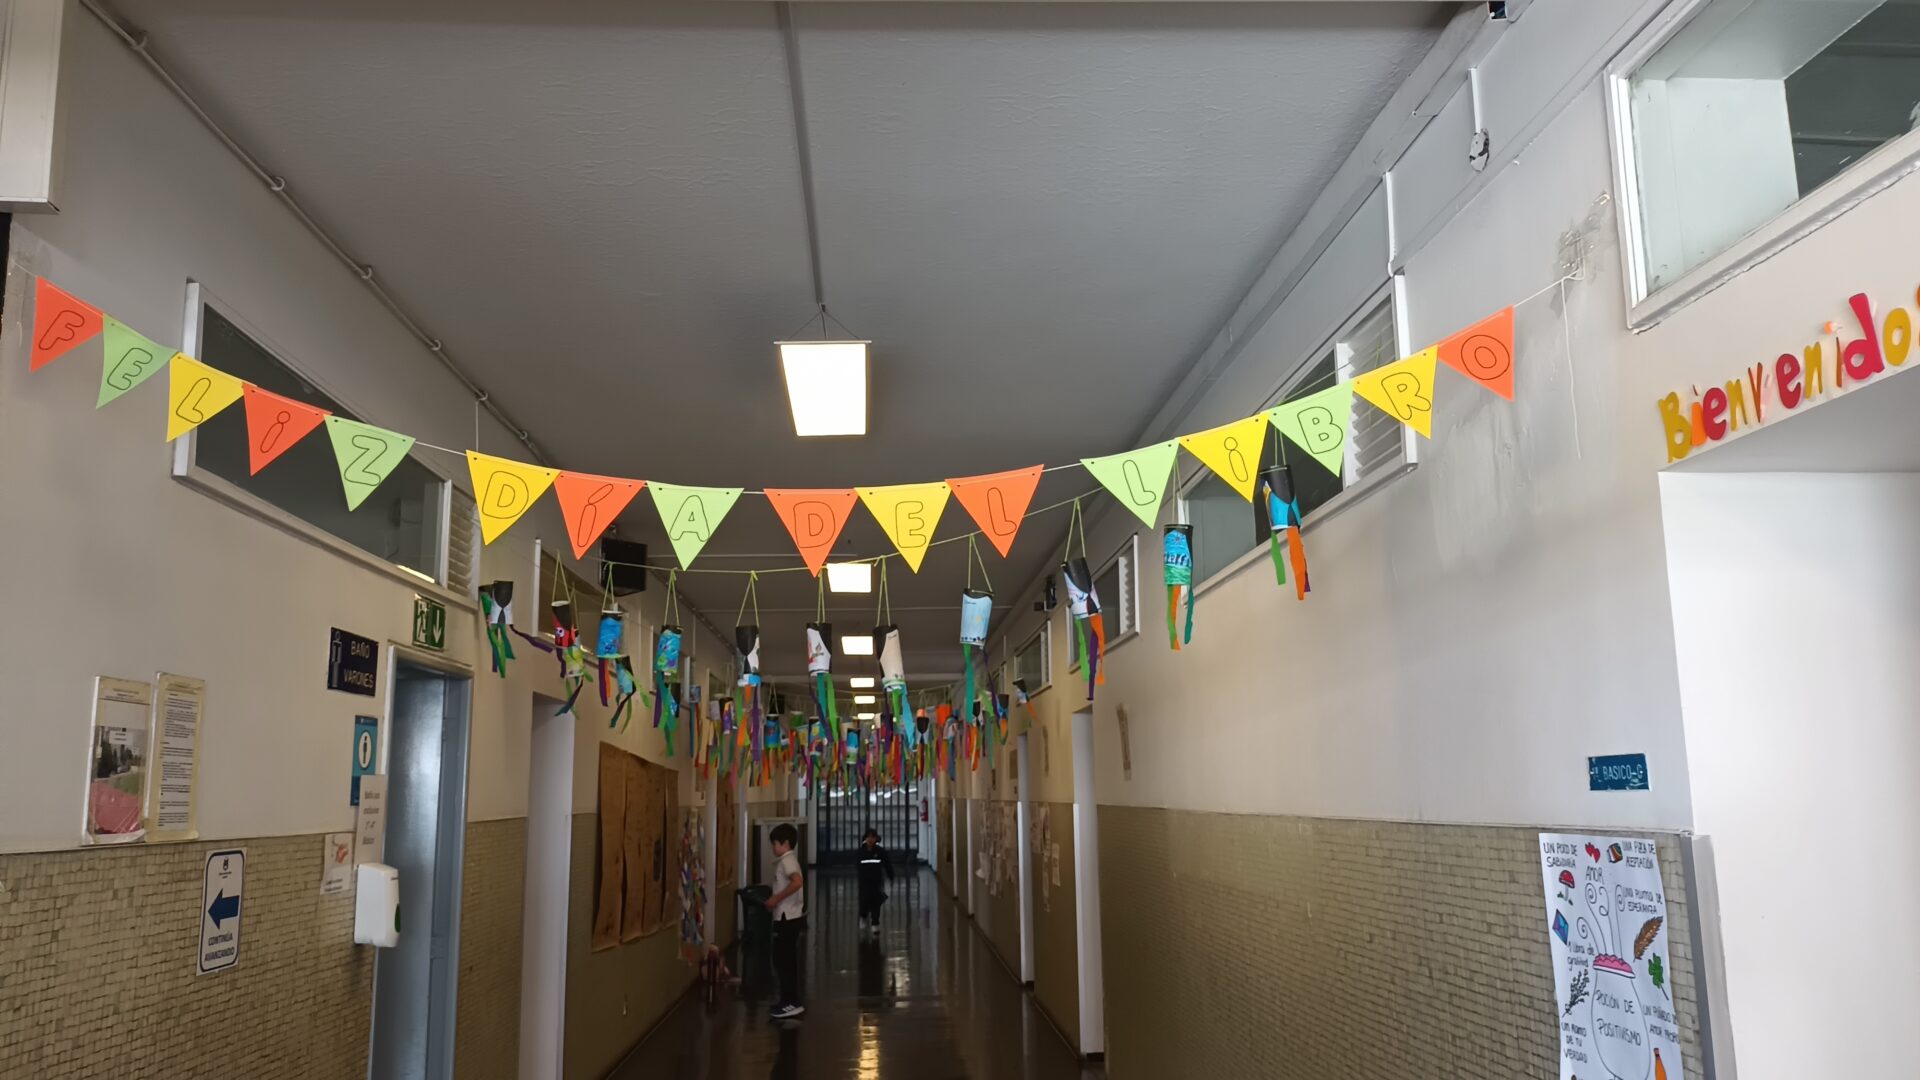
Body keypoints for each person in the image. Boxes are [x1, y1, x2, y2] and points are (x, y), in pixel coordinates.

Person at [764, 823, 806, 1020]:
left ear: (785, 843)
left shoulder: (787, 861)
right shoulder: (788, 860)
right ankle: (788, 1000)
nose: (773, 847)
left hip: (787, 918)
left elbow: (797, 882)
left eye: (775, 843)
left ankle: (791, 1002)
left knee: (784, 961)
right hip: (790, 916)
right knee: (784, 960)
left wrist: (776, 898)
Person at [856, 827, 895, 934]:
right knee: (864, 902)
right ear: (865, 838)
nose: (870, 839)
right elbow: (857, 865)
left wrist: (891, 877)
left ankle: (875, 923)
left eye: (873, 837)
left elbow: (887, 865)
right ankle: (863, 916)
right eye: (869, 837)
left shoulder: (880, 851)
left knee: (876, 903)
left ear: (876, 838)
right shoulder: (861, 852)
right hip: (864, 883)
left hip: (877, 882)